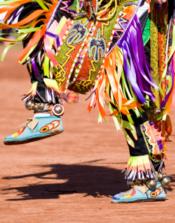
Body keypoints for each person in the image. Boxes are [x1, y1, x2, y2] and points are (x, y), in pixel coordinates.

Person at [0, 0, 174, 202]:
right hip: (118, 11)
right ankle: (151, 178)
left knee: (124, 88)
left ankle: (148, 180)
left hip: (139, 14)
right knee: (35, 13)